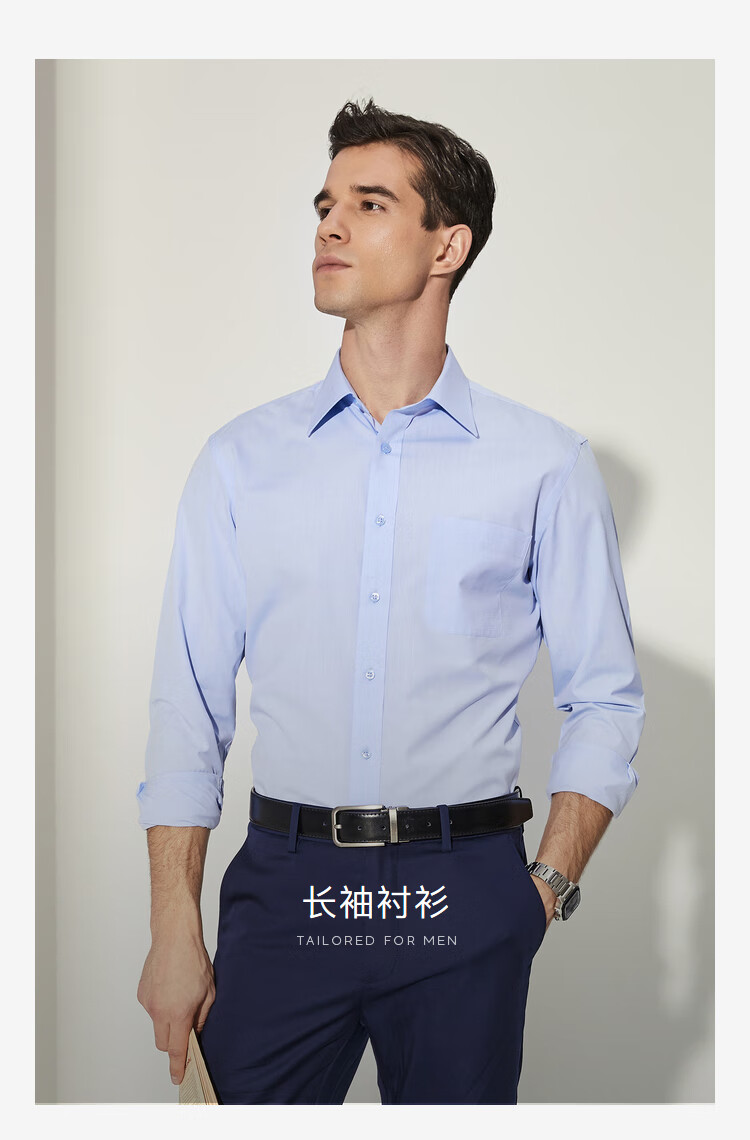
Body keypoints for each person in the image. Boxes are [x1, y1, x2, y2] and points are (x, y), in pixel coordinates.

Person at [135, 97, 646, 1105]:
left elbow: (607, 698)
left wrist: (541, 891)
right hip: (287, 890)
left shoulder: (543, 465)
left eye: (369, 204)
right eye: (325, 205)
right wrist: (171, 926)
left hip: (465, 892)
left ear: (448, 245)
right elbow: (186, 704)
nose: (329, 225)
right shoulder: (241, 461)